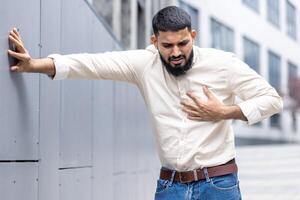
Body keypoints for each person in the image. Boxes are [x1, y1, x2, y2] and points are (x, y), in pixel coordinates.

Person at [7, 6, 282, 200]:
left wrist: (225, 112)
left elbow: (272, 100)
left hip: (219, 185)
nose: (176, 53)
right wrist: (34, 65)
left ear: (193, 36)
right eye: (167, 45)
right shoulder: (144, 64)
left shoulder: (223, 64)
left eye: (183, 44)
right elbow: (91, 63)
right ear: (154, 41)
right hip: (170, 186)